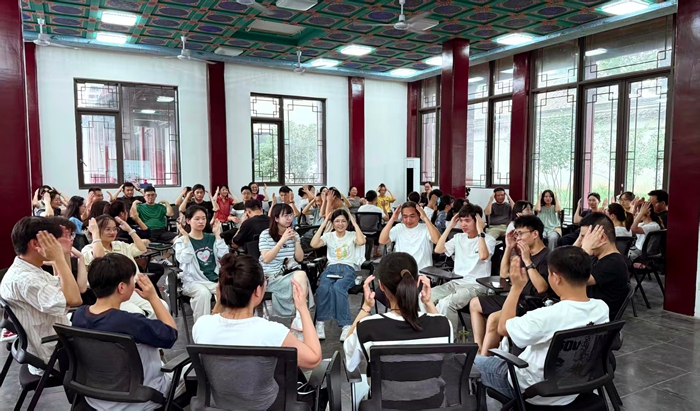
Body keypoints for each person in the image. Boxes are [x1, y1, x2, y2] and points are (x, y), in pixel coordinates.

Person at [474, 247, 609, 406]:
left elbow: (503, 328)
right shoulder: (602, 308)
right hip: (574, 386)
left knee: (465, 361)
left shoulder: (547, 316)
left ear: (556, 278)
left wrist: (516, 288)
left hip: (534, 390)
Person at [193, 253, 321, 409]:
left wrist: (221, 299)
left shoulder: (202, 325)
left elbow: (215, 320)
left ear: (220, 290)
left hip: (218, 405)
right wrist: (302, 307)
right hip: (265, 405)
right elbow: (314, 359)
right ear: (258, 291)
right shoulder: (270, 332)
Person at [71, 253, 179, 411]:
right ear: (121, 287)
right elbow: (171, 335)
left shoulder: (79, 315)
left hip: (95, 397)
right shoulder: (130, 322)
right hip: (139, 398)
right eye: (132, 280)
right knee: (191, 372)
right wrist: (154, 298)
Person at [343, 252, 451, 409]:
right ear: (417, 283)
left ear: (381, 286)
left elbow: (350, 360)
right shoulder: (443, 325)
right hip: (434, 406)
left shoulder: (368, 327)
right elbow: (447, 350)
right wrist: (428, 303)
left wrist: (366, 308)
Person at [0, 217, 82, 375]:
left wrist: (63, 256)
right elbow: (74, 299)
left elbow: (63, 286)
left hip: (55, 339)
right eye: (53, 241)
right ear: (35, 244)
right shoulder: (26, 280)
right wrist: (59, 258)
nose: (57, 246)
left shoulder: (27, 268)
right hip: (56, 354)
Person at [471, 216, 550, 355]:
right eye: (516, 234)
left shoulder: (547, 256)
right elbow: (503, 274)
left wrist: (527, 260)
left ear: (535, 234)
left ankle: (484, 360)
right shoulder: (525, 253)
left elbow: (541, 288)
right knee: (475, 303)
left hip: (532, 304)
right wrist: (508, 248)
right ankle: (478, 349)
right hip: (515, 298)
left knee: (494, 319)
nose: (518, 238)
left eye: (521, 234)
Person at [82, 215, 168, 318]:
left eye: (115, 229)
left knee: (163, 306)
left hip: (129, 290)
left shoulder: (119, 245)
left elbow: (142, 249)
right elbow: (99, 257)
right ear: (97, 230)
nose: (112, 232)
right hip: (111, 295)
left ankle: (153, 328)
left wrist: (130, 230)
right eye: (107, 229)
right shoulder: (88, 249)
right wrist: (95, 234)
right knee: (136, 313)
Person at [431, 204, 496, 333]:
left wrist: (480, 231)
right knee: (425, 297)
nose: (463, 224)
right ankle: (430, 333)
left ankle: (448, 340)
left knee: (446, 303)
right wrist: (450, 226)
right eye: (461, 220)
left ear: (477, 221)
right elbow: (438, 249)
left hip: (476, 286)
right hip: (456, 283)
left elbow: (483, 256)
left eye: (467, 220)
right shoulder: (458, 237)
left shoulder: (489, 240)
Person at [310, 210, 366, 342]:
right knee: (323, 288)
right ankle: (320, 323)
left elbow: (362, 241)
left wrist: (354, 223)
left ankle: (346, 325)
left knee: (339, 288)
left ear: (347, 223)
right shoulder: (329, 236)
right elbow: (313, 244)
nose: (340, 224)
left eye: (343, 221)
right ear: (333, 223)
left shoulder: (352, 235)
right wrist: (324, 223)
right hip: (331, 268)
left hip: (348, 268)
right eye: (337, 221)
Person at [259, 204, 313, 336]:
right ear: (276, 218)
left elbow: (299, 258)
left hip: (289, 273)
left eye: (291, 215)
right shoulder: (265, 234)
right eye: (285, 216)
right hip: (270, 276)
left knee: (301, 274)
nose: (289, 218)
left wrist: (297, 242)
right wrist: (282, 240)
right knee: (301, 277)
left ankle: (299, 316)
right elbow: (266, 259)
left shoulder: (293, 233)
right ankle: (300, 315)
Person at [174, 206, 228, 322]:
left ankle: (224, 325)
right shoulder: (180, 241)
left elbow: (225, 257)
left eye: (203, 218)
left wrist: (217, 234)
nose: (201, 222)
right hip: (192, 281)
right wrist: (186, 237)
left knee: (229, 290)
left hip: (213, 279)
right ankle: (201, 327)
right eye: (197, 219)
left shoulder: (211, 238)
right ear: (188, 221)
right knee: (203, 293)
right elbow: (184, 259)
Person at [574, 213, 630, 319]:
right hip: (586, 313)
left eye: (584, 237)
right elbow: (563, 265)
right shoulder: (597, 257)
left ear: (602, 237)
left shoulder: (614, 263)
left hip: (596, 322)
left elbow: (572, 278)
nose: (581, 241)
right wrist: (580, 241)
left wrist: (585, 249)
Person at [379, 201, 440, 270]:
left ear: (419, 215)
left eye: (412, 216)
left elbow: (437, 240)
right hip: (403, 272)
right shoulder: (399, 228)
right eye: (405, 217)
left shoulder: (426, 228)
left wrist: (425, 218)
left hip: (423, 272)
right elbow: (382, 241)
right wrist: (392, 219)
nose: (408, 220)